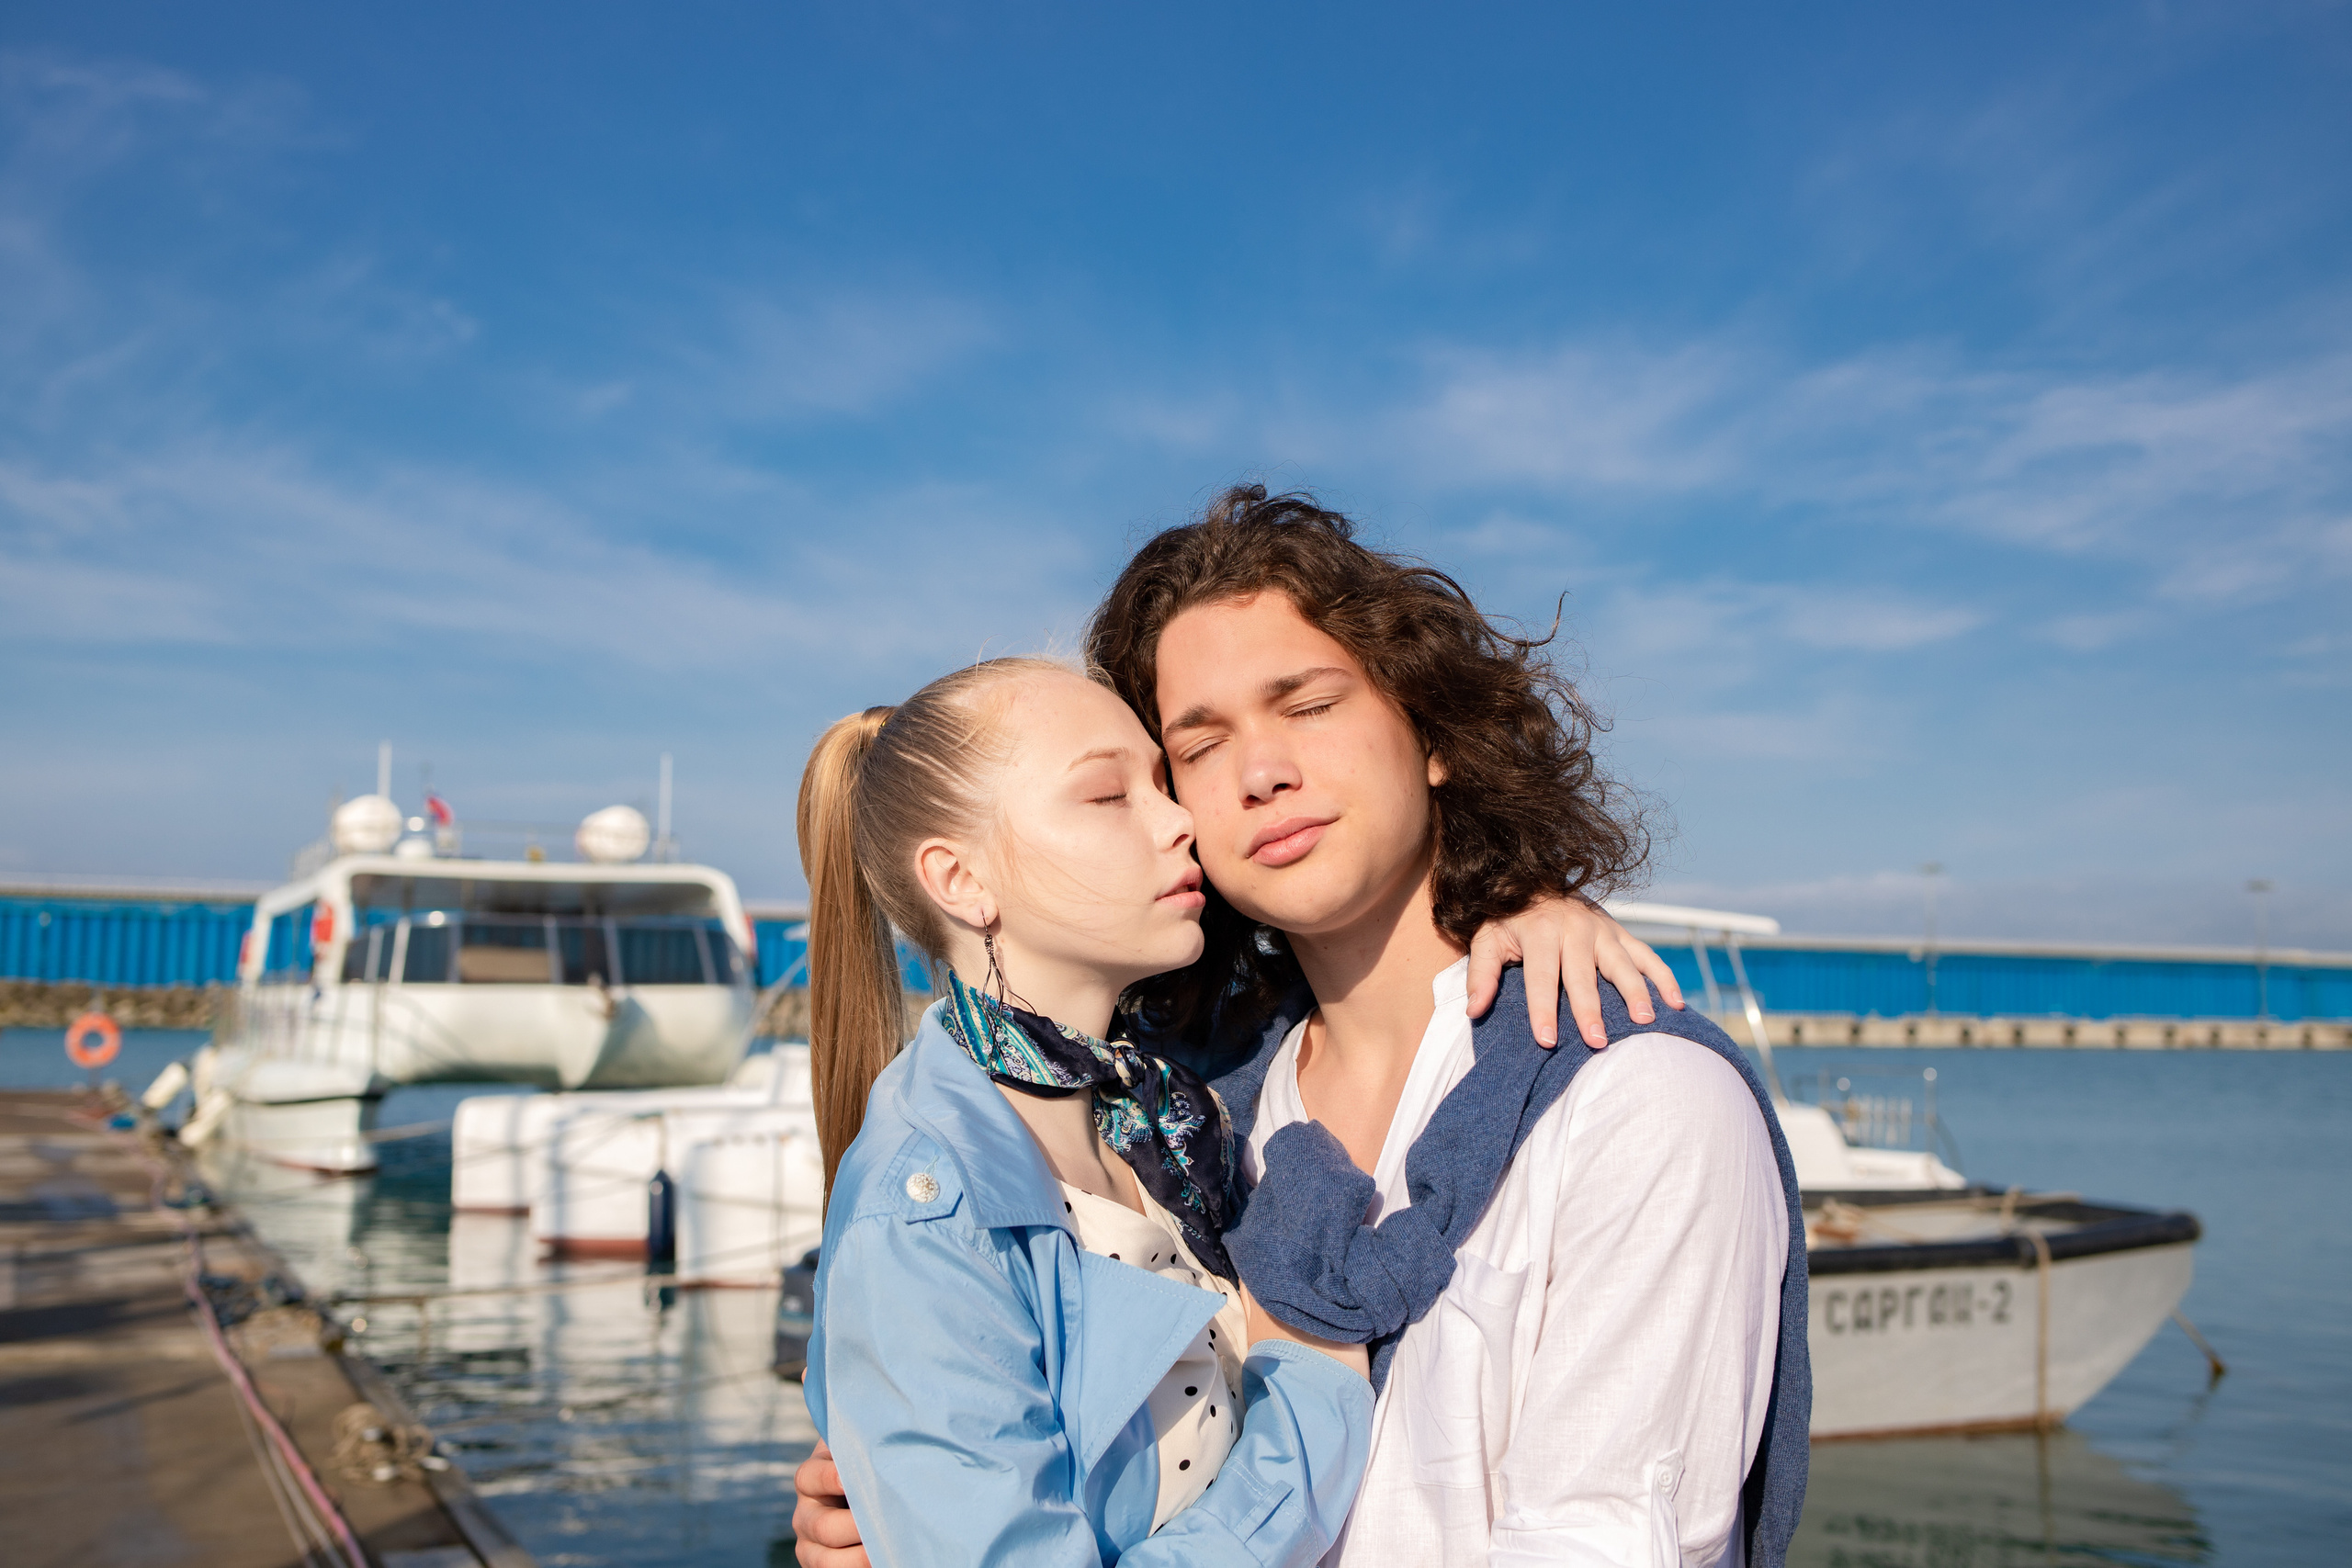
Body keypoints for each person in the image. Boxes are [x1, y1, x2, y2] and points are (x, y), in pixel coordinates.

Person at [796, 487, 1807, 1567]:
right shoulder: (1186, 1118)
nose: (1257, 773)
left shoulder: (1635, 1102)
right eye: (1196, 746)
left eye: (1309, 705)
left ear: (1432, 733)